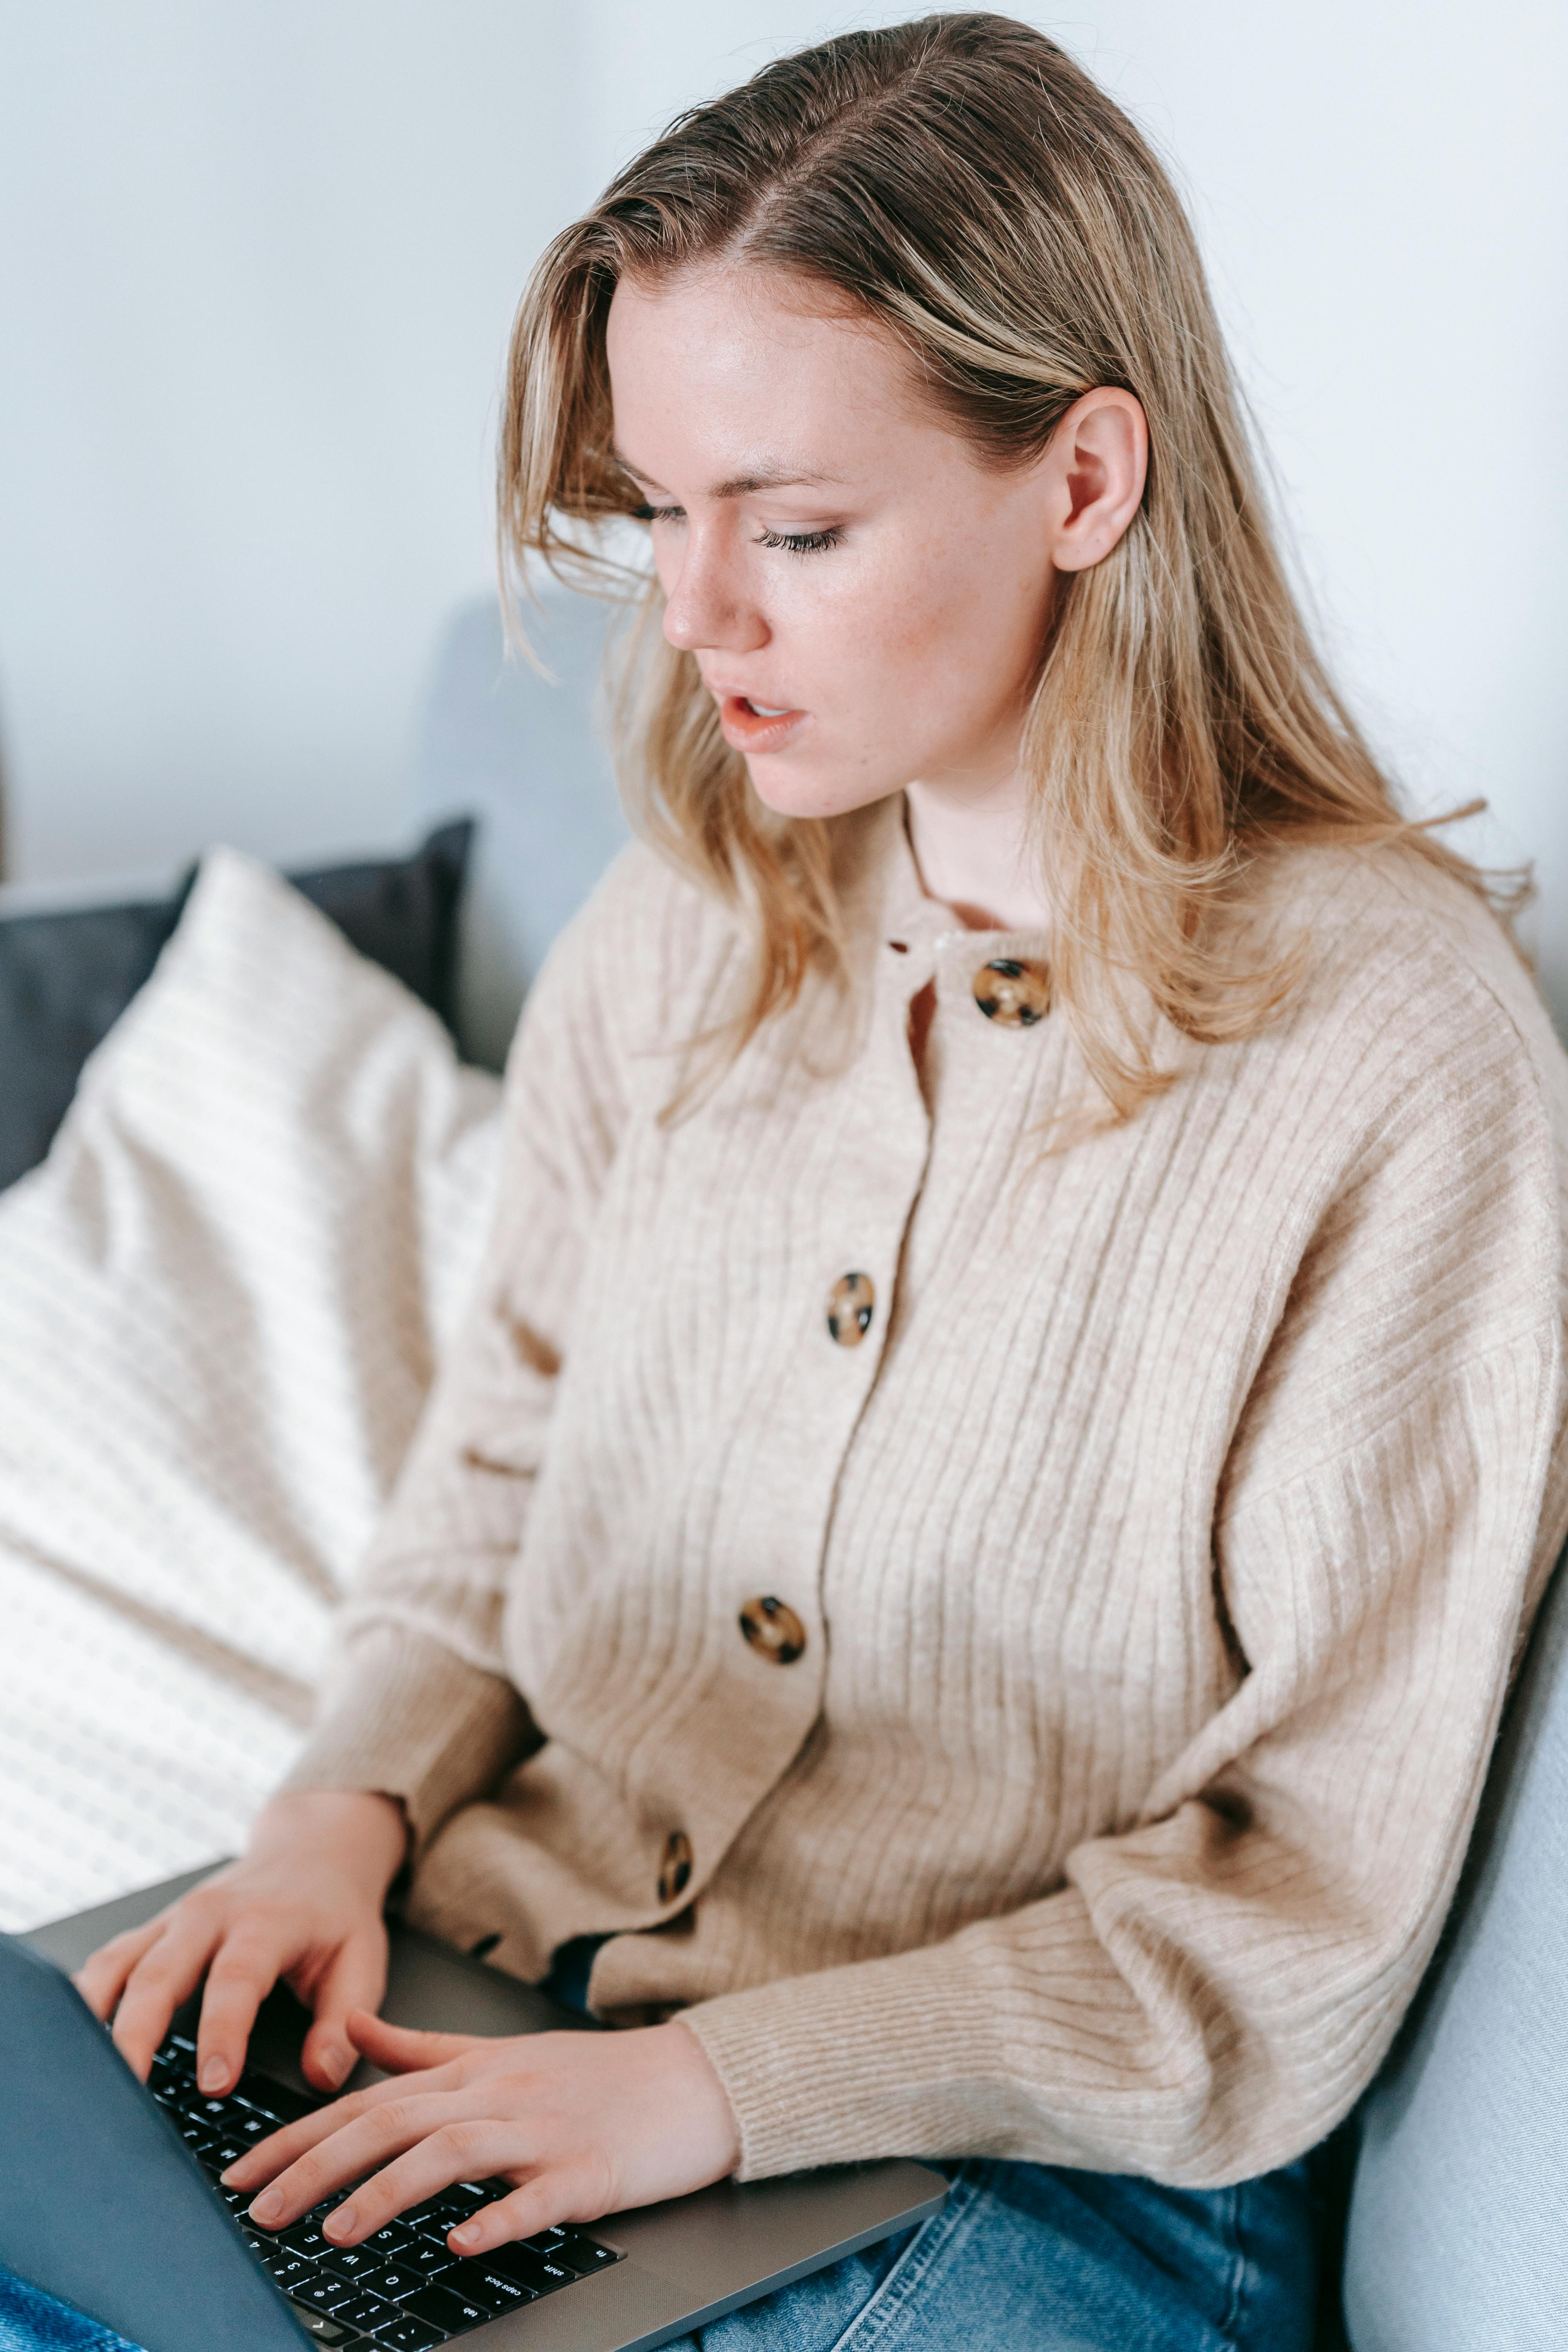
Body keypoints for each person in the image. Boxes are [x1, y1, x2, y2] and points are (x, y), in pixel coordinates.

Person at [74, 15, 1568, 2348]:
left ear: (1085, 481)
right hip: (491, 2001)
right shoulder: (681, 924)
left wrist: (712, 2090)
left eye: (794, 528)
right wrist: (329, 1824)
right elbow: (499, 1470)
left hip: (1026, 2164)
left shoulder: (1396, 1054)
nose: (696, 617)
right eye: (664, 515)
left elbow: (1302, 1894)